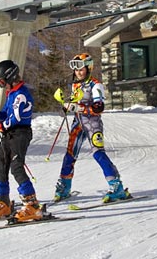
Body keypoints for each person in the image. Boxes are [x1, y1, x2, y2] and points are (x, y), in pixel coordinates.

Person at [53, 53, 130, 203]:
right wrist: (67, 106)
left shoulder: (96, 85)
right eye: (76, 70)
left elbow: (98, 107)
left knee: (98, 154)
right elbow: (76, 102)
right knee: (70, 154)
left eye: (81, 69)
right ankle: (65, 186)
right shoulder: (75, 84)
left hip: (92, 124)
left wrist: (77, 107)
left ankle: (116, 186)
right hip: (78, 123)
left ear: (88, 68)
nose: (78, 72)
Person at [0, 59, 45, 222]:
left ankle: (32, 205)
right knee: (1, 164)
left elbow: (15, 118)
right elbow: (6, 114)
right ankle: (3, 201)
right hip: (10, 134)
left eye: (1, 82)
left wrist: (1, 124)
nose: (1, 86)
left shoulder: (21, 94)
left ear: (9, 77)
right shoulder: (12, 93)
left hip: (20, 133)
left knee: (16, 166)